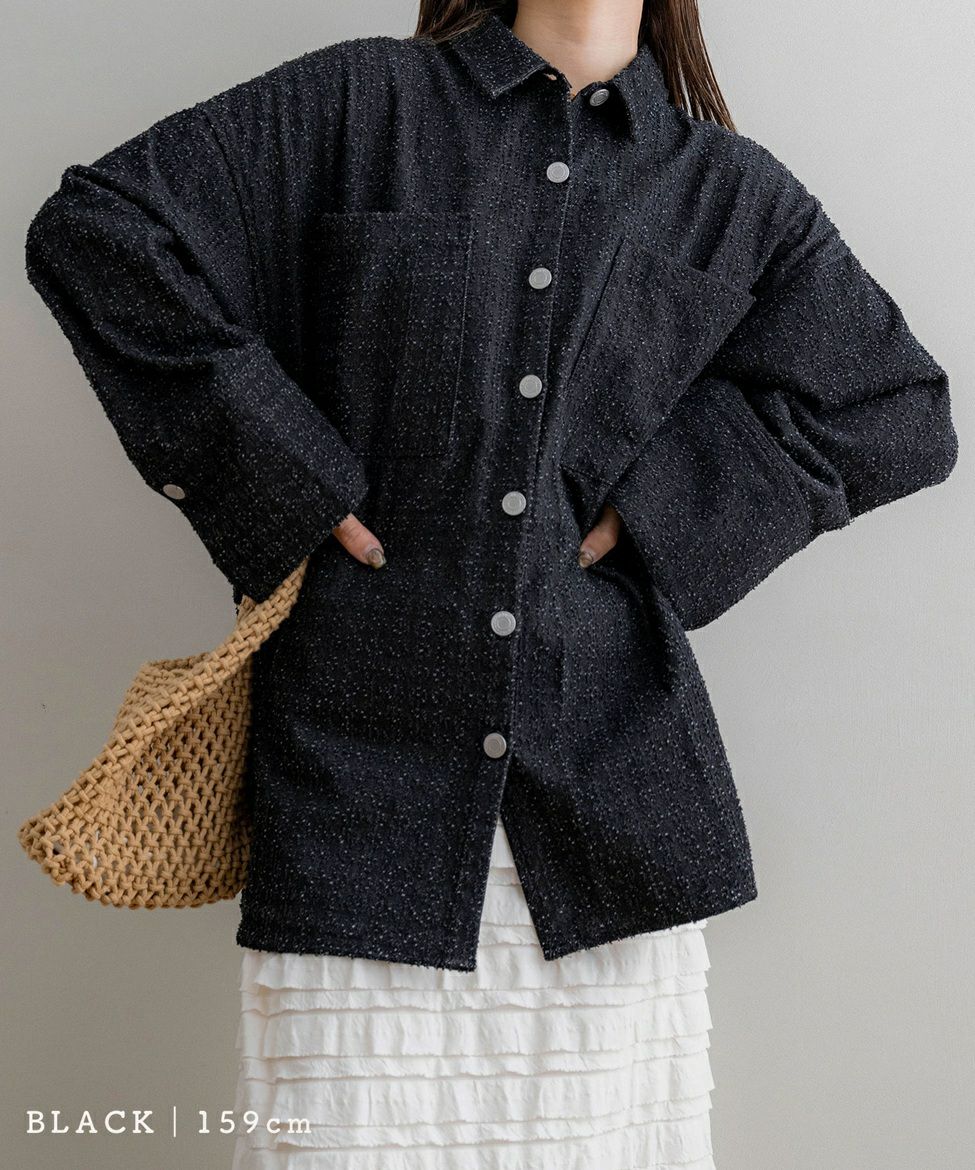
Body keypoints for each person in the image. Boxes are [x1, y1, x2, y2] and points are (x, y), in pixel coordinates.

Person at [24, 1, 958, 1166]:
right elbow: (98, 230)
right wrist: (285, 474)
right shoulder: (361, 105)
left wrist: (655, 514)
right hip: (356, 792)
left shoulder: (726, 192)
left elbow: (896, 411)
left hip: (605, 816)